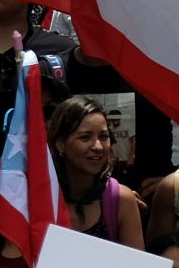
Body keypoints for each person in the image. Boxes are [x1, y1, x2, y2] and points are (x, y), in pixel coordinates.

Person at [48, 96, 145, 245]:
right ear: (61, 144)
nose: (98, 147)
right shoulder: (40, 197)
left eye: (104, 137)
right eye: (85, 138)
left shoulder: (120, 200)